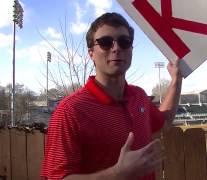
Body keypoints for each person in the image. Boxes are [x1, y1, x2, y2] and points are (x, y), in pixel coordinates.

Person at [41, 12, 183, 180]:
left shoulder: (139, 96)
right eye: (106, 42)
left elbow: (164, 122)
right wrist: (118, 174)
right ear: (91, 53)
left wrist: (176, 79)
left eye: (124, 42)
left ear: (131, 49)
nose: (116, 48)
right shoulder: (70, 111)